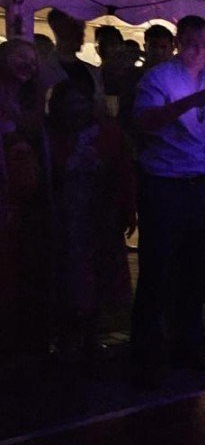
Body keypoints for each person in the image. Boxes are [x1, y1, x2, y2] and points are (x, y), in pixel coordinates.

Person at [130, 14, 205, 386]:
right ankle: (146, 351)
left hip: (200, 182)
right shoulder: (158, 78)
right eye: (193, 44)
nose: (200, 51)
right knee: (157, 268)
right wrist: (191, 103)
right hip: (165, 183)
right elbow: (145, 122)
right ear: (177, 42)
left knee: (196, 269)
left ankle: (188, 345)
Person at [47, 78, 135, 360]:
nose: (75, 107)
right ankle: (66, 337)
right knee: (66, 275)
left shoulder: (108, 134)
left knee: (96, 275)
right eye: (69, 102)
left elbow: (123, 172)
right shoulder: (49, 135)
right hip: (64, 216)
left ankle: (89, 337)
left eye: (80, 101)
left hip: (99, 215)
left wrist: (127, 208)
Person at [0, 39, 50, 361]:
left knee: (21, 269)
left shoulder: (32, 105)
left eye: (32, 59)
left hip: (26, 199)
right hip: (6, 194)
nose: (27, 64)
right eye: (19, 56)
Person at [46, 9, 103, 101]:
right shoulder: (44, 71)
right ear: (60, 31)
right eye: (75, 28)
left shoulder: (93, 71)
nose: (82, 35)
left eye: (82, 29)